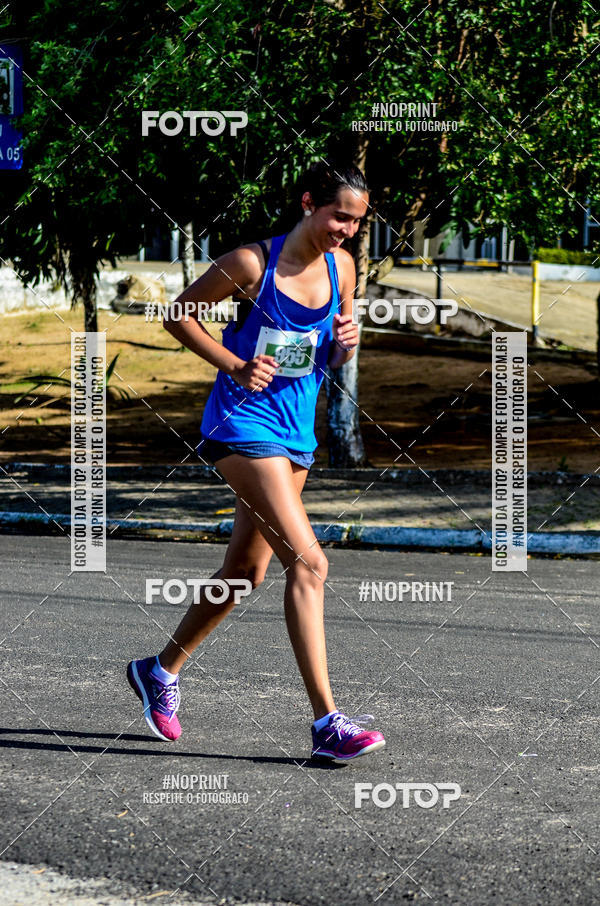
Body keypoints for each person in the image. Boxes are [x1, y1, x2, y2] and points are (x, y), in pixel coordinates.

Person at [127, 160, 385, 763]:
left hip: (296, 432)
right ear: (307, 203)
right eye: (338, 215)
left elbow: (330, 357)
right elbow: (178, 314)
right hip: (241, 425)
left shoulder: (341, 267)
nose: (346, 229)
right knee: (310, 562)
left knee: (246, 571)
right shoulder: (252, 264)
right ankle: (327, 722)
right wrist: (234, 364)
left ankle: (158, 671)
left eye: (355, 222)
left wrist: (345, 347)